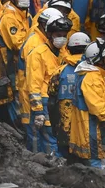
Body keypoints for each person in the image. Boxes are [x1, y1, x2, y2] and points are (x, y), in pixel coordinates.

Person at [70, 40, 105, 170]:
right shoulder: (92, 78)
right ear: (98, 59)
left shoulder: (94, 75)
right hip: (93, 133)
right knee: (99, 172)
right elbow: (99, 109)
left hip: (95, 133)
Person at [27, 15, 73, 155]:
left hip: (60, 101)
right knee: (49, 137)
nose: (62, 38)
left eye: (64, 35)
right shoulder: (38, 54)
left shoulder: (63, 53)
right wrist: (38, 111)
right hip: (45, 101)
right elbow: (34, 85)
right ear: (49, 34)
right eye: (58, 35)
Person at [17, 8, 62, 143]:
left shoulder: (46, 41)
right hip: (33, 96)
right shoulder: (35, 43)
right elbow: (34, 78)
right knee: (36, 138)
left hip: (42, 95)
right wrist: (38, 108)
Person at [48, 32, 92, 159]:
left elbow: (51, 101)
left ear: (68, 49)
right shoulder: (93, 72)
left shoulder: (59, 72)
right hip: (86, 128)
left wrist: (55, 125)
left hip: (64, 128)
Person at [0, 0, 33, 103]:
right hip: (11, 64)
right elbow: (18, 44)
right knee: (15, 97)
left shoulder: (25, 14)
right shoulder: (9, 17)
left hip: (22, 63)